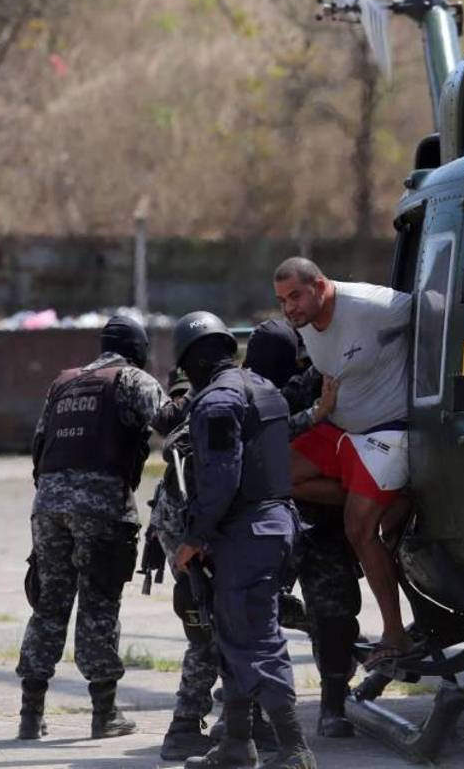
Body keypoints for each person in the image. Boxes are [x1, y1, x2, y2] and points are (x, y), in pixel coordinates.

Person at [168, 311, 314, 769]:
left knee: (255, 637)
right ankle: (236, 743)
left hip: (244, 533)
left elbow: (220, 478)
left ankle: (294, 750)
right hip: (273, 526)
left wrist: (194, 537)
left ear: (192, 361)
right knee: (234, 633)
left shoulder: (216, 402)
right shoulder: (264, 390)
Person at [15, 314, 166, 741]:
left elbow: (39, 446)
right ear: (139, 348)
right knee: (99, 604)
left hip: (48, 506)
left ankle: (30, 714)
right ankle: (105, 713)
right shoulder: (133, 379)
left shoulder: (63, 382)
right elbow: (171, 422)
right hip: (102, 506)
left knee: (49, 605)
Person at [272, 257, 415, 668]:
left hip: (388, 429)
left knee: (359, 528)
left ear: (320, 286)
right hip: (341, 427)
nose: (289, 309)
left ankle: (395, 634)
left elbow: (440, 309)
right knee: (274, 475)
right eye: (282, 301)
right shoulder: (306, 325)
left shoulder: (374, 306)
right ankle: (390, 498)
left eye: (295, 296)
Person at [246, 318, 360, 738]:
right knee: (254, 615)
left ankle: (333, 703)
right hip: (269, 525)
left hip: (318, 523)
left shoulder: (319, 377)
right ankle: (251, 710)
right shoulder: (253, 395)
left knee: (335, 613)